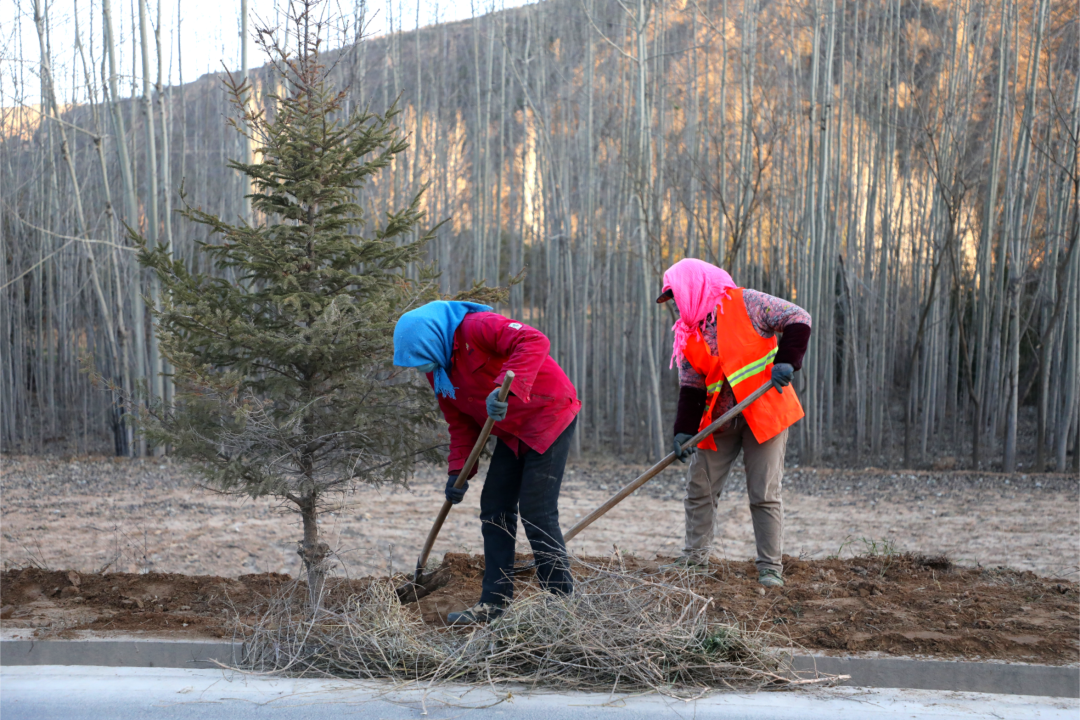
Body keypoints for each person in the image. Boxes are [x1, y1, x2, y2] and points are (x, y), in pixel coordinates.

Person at [394, 300, 581, 624]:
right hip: (511, 430)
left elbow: (533, 340)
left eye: (421, 357)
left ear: (431, 339)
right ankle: (493, 604)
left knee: (536, 510)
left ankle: (561, 606)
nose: (421, 367)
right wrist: (458, 472)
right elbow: (460, 422)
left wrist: (505, 389)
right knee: (494, 507)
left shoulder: (477, 327)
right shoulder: (439, 370)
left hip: (548, 413)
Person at [657, 258, 811, 587]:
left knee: (763, 493)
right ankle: (695, 559)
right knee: (700, 487)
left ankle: (770, 568)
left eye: (676, 296)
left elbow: (798, 317)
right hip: (720, 422)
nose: (675, 305)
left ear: (693, 288)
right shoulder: (687, 333)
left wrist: (787, 360)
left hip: (764, 412)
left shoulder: (747, 302)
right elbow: (692, 386)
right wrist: (683, 431)